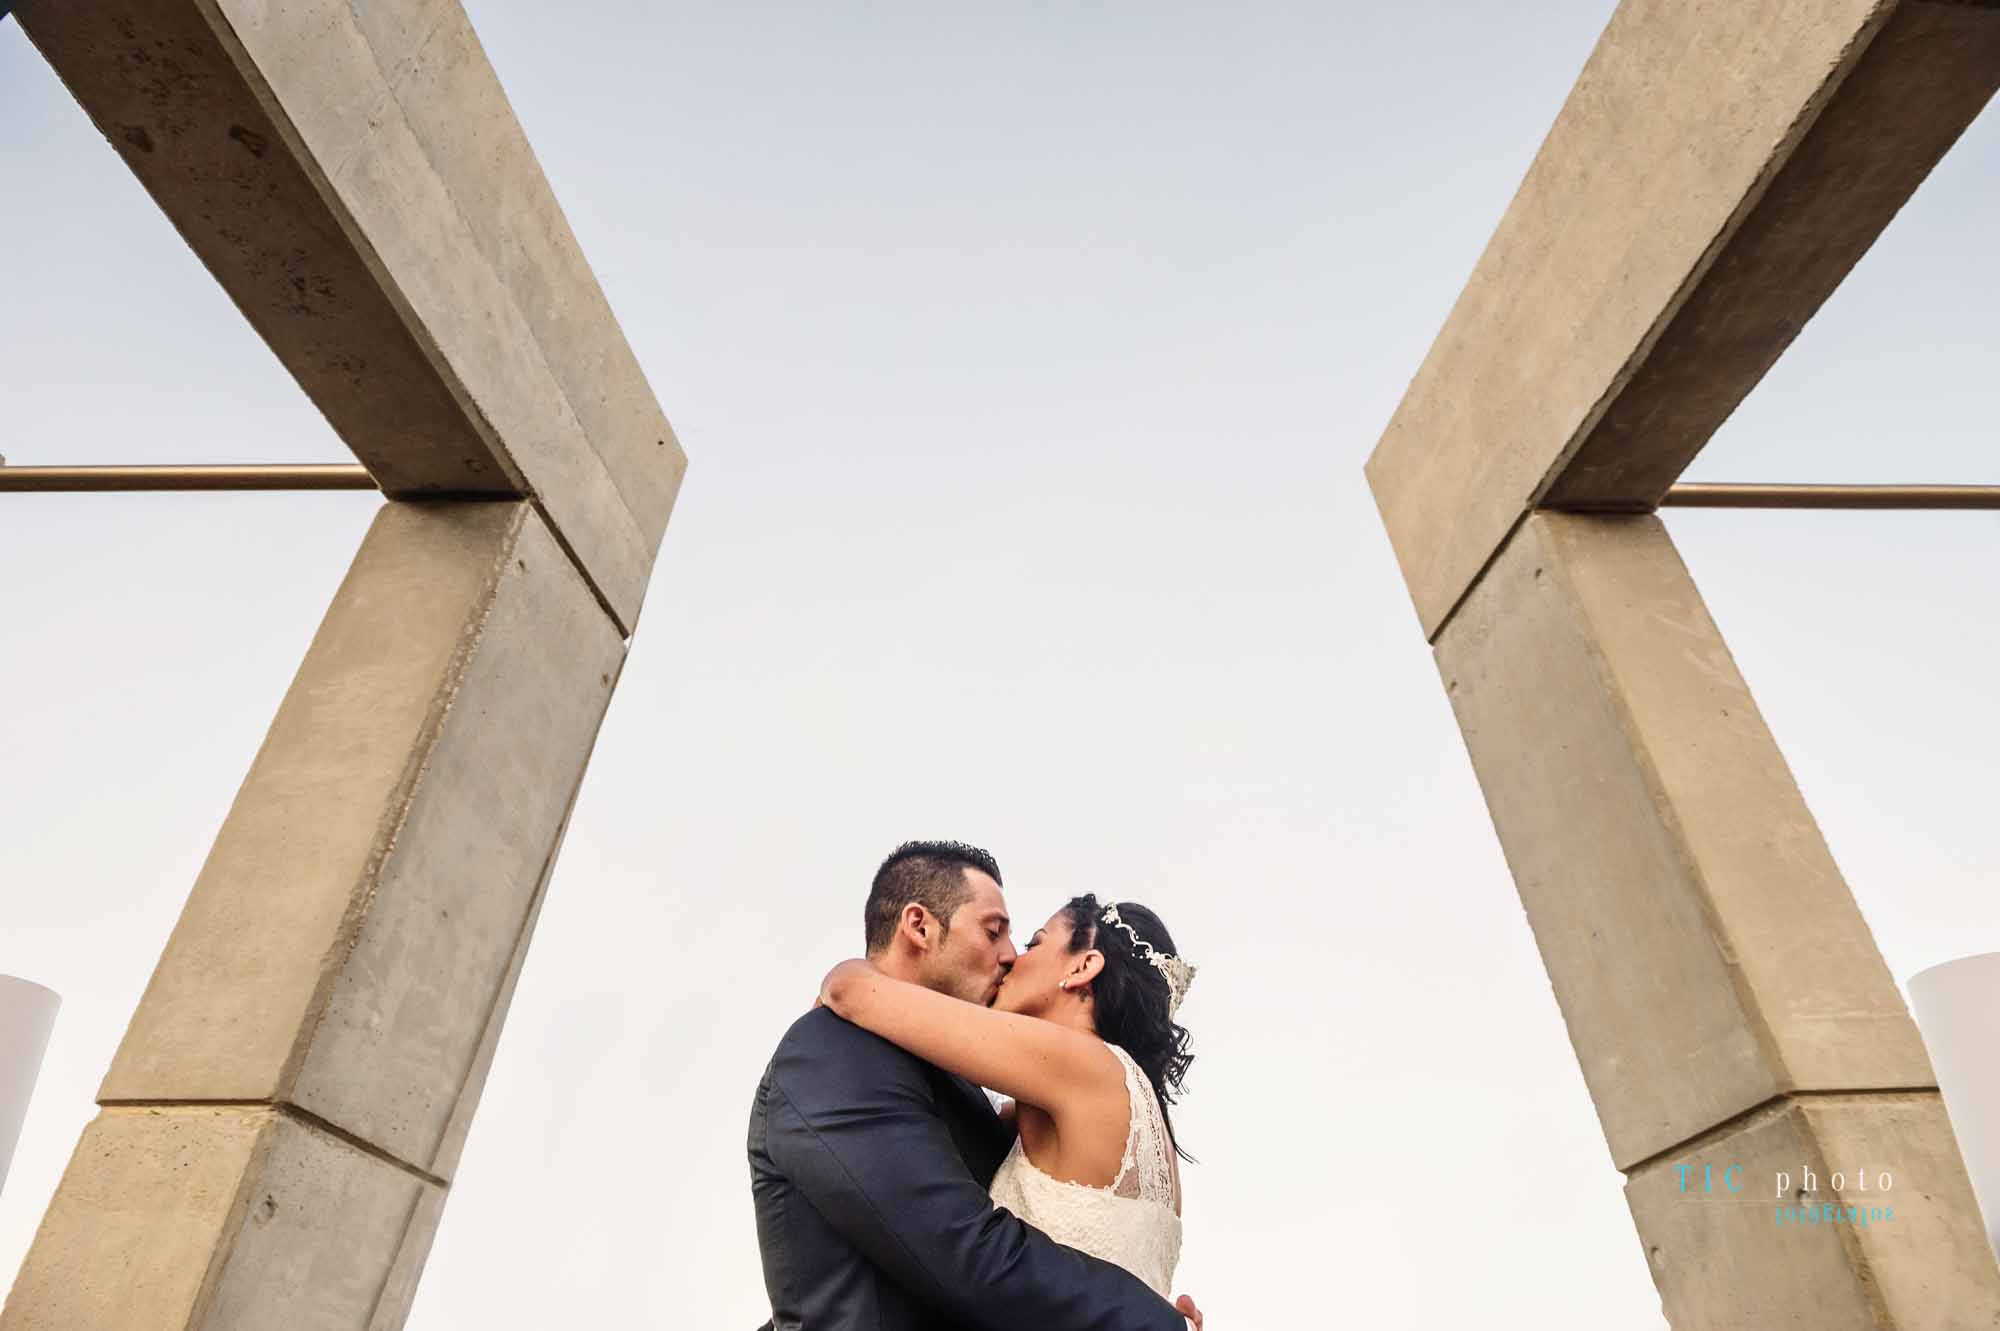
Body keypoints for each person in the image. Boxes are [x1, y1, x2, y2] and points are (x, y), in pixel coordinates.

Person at [748, 840, 1200, 1331]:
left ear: (1083, 966)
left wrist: (849, 974)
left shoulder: (1081, 1066)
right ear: (918, 925)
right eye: (996, 933)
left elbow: (851, 992)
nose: (1011, 957)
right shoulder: (1063, 1108)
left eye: (1031, 942)